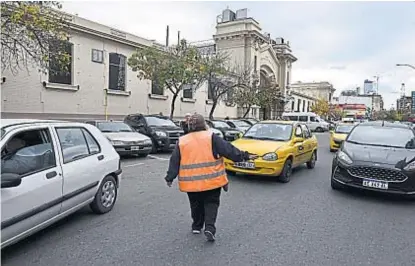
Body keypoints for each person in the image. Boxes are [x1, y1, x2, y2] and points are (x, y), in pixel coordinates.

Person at [165, 114, 258, 242]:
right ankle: (209, 228)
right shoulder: (211, 137)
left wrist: (170, 177)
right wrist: (245, 156)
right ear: (204, 124)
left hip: (191, 183)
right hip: (212, 181)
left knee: (195, 204)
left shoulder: (182, 141)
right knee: (211, 204)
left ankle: (197, 226)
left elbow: (174, 161)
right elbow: (229, 151)